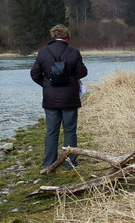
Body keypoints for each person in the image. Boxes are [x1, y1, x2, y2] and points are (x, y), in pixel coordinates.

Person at [30, 24, 88, 170]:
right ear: (67, 38)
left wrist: (46, 85)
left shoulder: (42, 52)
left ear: (52, 37)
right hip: (70, 97)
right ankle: (70, 163)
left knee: (51, 131)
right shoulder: (74, 52)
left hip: (50, 99)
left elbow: (34, 74)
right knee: (69, 130)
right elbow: (82, 73)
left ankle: (48, 164)